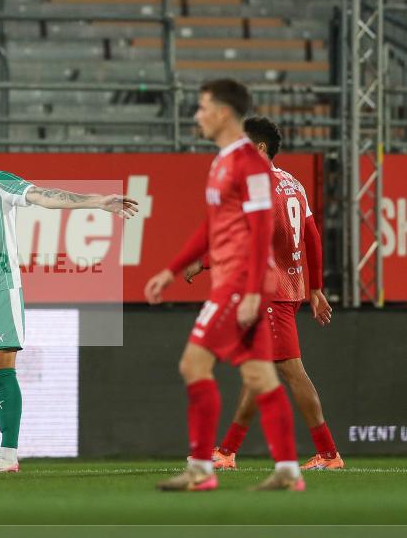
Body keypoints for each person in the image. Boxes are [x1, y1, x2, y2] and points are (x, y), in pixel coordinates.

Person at [0, 128, 138, 472]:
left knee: (1, 368)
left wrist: (95, 201)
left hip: (0, 288)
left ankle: (9, 455)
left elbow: (45, 196)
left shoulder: (0, 183)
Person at [144, 79, 305, 491]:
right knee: (260, 378)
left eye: (202, 107)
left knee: (193, 364)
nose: (197, 115)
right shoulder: (223, 161)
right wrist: (173, 268)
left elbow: (258, 230)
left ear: (223, 112)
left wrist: (252, 291)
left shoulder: (249, 164)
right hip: (239, 283)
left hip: (239, 284)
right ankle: (288, 471)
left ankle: (201, 470)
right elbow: (213, 225)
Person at [184, 116, 342, 470]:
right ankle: (226, 451)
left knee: (290, 370)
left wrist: (203, 263)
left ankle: (329, 453)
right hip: (288, 288)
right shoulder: (293, 183)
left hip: (270, 292)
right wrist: (315, 288)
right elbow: (312, 237)